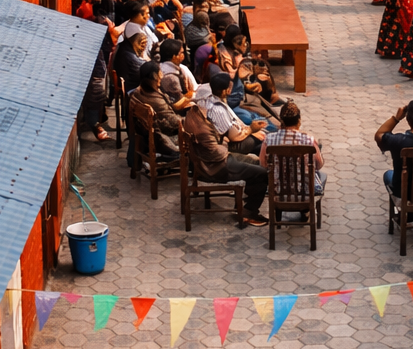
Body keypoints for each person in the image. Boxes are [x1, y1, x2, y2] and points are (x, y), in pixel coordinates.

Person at [184, 72, 270, 226]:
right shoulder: (212, 114)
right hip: (215, 165)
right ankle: (249, 212)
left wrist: (221, 139)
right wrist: (224, 140)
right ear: (225, 91)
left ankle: (248, 202)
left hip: (212, 157)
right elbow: (220, 148)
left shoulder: (197, 109)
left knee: (257, 163)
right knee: (263, 173)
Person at [261, 100, 326, 204]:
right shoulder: (309, 140)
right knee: (322, 175)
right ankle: (307, 208)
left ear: (281, 120)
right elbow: (319, 165)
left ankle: (278, 210)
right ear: (299, 121)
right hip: (304, 191)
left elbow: (263, 164)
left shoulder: (269, 139)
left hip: (278, 190)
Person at [129, 61, 184, 165]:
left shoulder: (138, 91)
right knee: (195, 131)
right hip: (161, 139)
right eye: (160, 73)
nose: (162, 76)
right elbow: (174, 122)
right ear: (155, 76)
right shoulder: (156, 101)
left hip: (148, 133)